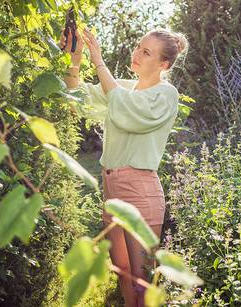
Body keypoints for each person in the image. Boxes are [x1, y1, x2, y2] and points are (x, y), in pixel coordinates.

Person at [60, 25, 188, 307]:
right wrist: (77, 57)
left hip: (140, 191)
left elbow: (125, 109)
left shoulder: (166, 94)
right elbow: (76, 98)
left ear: (163, 64)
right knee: (125, 278)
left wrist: (99, 61)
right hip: (112, 190)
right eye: (138, 47)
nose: (137, 54)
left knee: (143, 282)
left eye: (146, 52)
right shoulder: (123, 88)